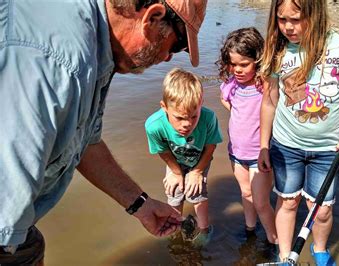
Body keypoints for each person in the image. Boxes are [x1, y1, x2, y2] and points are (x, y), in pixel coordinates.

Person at [0, 0, 208, 264]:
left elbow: (83, 141)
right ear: (152, 18)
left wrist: (140, 204)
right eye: (177, 46)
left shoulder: (97, 45)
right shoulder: (58, 64)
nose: (168, 57)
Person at [258, 0, 339, 265]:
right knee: (288, 202)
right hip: (285, 145)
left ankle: (320, 250)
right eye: (281, 19)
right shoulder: (277, 49)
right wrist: (264, 145)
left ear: (315, 13)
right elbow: (269, 101)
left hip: (328, 148)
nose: (287, 27)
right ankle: (285, 256)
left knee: (321, 210)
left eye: (295, 19)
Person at [145, 68, 223, 247]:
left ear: (201, 103)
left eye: (193, 116)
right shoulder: (154, 126)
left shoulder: (209, 118)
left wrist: (197, 171)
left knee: (197, 193)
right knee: (174, 193)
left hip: (200, 159)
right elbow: (162, 151)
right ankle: (176, 227)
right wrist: (176, 172)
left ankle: (204, 229)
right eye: (179, 118)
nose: (187, 124)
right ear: (164, 107)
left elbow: (211, 146)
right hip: (174, 161)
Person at [216, 28, 278, 249]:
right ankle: (250, 230)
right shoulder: (232, 83)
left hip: (259, 154)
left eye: (244, 64)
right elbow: (224, 98)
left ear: (258, 60)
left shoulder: (265, 85)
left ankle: (275, 241)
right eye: (233, 64)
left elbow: (274, 109)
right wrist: (235, 111)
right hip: (236, 152)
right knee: (245, 193)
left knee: (261, 202)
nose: (238, 70)